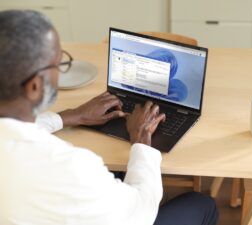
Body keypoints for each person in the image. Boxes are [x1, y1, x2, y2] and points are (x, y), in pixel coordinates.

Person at [0, 10, 218, 225]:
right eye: (58, 63)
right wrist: (141, 139)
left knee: (116, 171)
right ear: (35, 85)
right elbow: (141, 212)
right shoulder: (71, 168)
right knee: (203, 205)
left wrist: (70, 116)